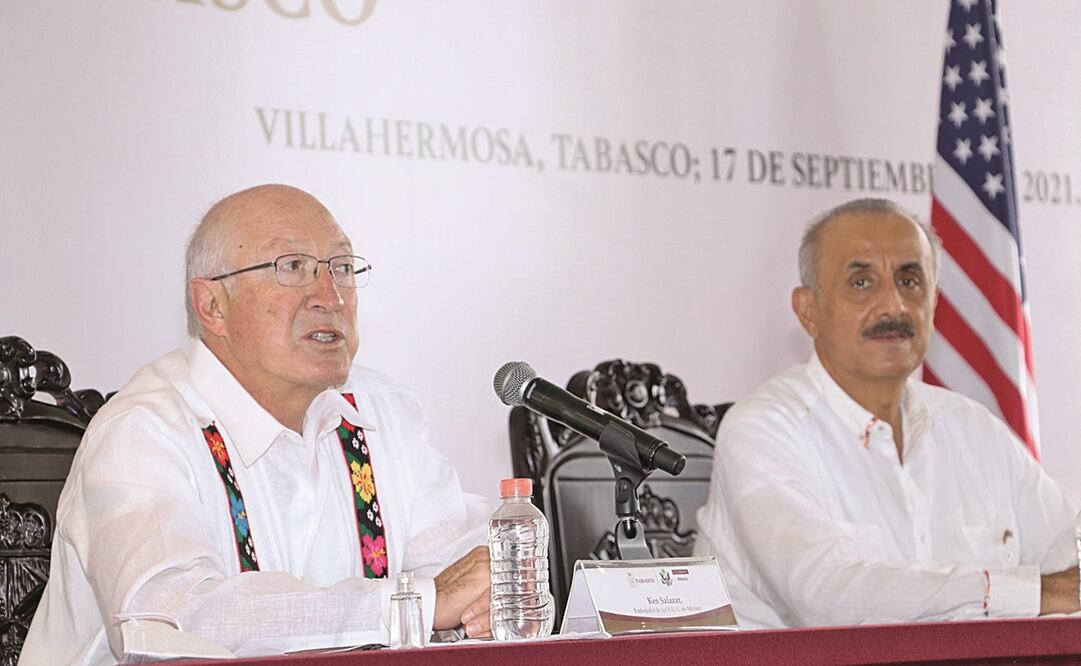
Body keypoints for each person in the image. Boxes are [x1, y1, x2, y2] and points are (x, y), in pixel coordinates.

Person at [22, 184, 495, 663]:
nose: (329, 297)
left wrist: (491, 588)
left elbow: (461, 556)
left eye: (343, 268)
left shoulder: (386, 413)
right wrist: (414, 604)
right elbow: (174, 619)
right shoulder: (143, 431)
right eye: (291, 268)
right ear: (212, 306)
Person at [695, 198, 1081, 629]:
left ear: (933, 302)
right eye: (861, 283)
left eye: (909, 280)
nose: (893, 306)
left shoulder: (972, 429)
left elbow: (1070, 547)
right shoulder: (763, 430)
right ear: (808, 310)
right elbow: (827, 596)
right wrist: (1029, 593)